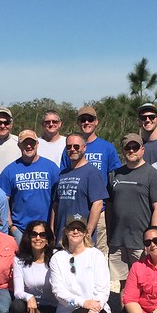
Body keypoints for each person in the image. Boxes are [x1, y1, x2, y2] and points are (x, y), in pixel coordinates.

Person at [107, 133, 157, 297]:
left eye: (135, 147)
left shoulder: (152, 175)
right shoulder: (115, 175)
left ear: (142, 149)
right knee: (123, 284)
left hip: (141, 241)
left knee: (144, 282)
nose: (131, 150)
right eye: (128, 147)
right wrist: (109, 235)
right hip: (118, 240)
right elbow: (110, 206)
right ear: (123, 150)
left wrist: (153, 238)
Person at [61, 104, 121, 256]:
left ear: (96, 122)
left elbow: (115, 177)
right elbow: (64, 174)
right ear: (78, 122)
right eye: (83, 119)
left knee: (96, 252)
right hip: (74, 208)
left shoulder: (107, 147)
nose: (86, 122)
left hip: (98, 209)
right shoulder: (69, 149)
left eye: (90, 119)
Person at [49, 214, 112, 313]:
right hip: (66, 312)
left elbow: (103, 288)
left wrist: (94, 311)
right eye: (72, 228)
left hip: (97, 309)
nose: (76, 231)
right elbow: (58, 290)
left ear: (85, 233)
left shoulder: (96, 255)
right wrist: (83, 302)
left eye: (80, 229)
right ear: (66, 231)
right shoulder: (57, 258)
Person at [0, 130, 60, 241]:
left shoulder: (51, 168)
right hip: (21, 230)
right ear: (19, 145)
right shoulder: (10, 170)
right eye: (25, 143)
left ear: (37, 144)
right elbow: (2, 201)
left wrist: (53, 228)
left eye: (32, 142)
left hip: (45, 230)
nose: (29, 146)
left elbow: (58, 200)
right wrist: (12, 227)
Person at [52, 133, 106, 239]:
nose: (72, 149)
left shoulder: (92, 172)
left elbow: (98, 204)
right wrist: (52, 231)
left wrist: (88, 233)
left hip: (81, 237)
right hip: (62, 237)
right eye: (69, 147)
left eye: (76, 146)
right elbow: (56, 205)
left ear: (84, 148)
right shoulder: (63, 174)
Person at [9, 220, 57, 313]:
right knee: (16, 305)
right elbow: (18, 292)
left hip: (51, 307)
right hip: (29, 305)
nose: (38, 238)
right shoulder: (19, 260)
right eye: (34, 234)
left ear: (47, 239)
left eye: (42, 235)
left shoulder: (56, 258)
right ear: (28, 237)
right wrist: (29, 297)